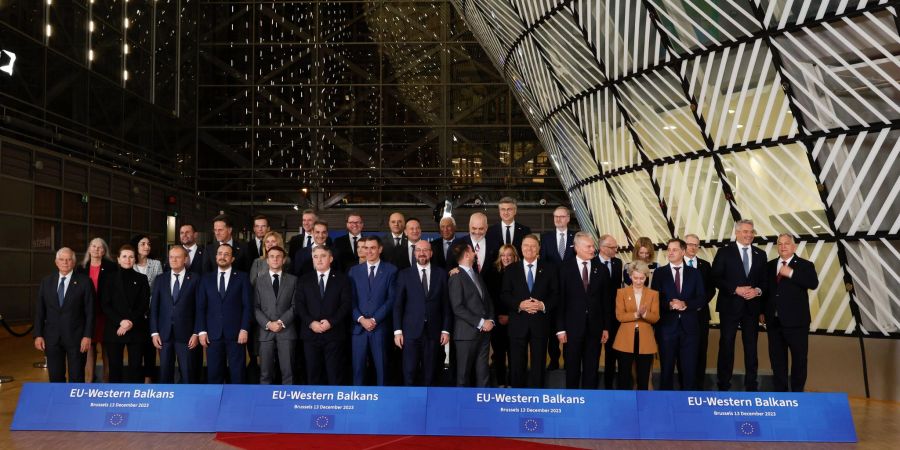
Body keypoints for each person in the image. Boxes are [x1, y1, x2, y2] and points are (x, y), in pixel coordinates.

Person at [712, 219, 767, 391]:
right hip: (730, 306)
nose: (749, 235)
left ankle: (751, 384)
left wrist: (757, 290)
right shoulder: (724, 252)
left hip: (752, 308)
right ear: (736, 233)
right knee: (727, 344)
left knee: (751, 347)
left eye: (751, 231)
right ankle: (723, 384)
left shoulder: (761, 254)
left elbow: (765, 281)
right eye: (745, 231)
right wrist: (735, 289)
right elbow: (715, 277)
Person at [761, 233, 819, 392]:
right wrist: (762, 311)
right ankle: (781, 394)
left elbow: (813, 283)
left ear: (794, 247)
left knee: (799, 360)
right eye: (780, 244)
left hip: (797, 323)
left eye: (787, 243)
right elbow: (766, 291)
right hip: (774, 322)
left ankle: (797, 394)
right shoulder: (769, 266)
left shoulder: (805, 265)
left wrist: (791, 273)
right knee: (777, 360)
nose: (783, 246)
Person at [555, 232, 610, 389]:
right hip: (572, 329)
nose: (593, 249)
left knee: (592, 368)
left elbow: (606, 302)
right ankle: (572, 402)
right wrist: (560, 329)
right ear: (577, 248)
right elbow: (560, 301)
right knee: (572, 368)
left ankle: (589, 403)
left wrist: (606, 327)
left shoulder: (602, 270)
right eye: (589, 246)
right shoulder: (564, 269)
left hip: (595, 328)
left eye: (593, 246)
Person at [393, 240, 451, 386]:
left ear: (431, 253)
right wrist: (397, 331)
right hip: (410, 332)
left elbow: (446, 305)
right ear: (414, 253)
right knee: (409, 372)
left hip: (434, 332)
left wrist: (445, 330)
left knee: (430, 373)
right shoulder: (404, 274)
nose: (422, 253)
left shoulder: (441, 274)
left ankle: (428, 405)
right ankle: (411, 405)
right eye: (418, 250)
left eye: (425, 250)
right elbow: (398, 305)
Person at [502, 234, 557, 388]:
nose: (529, 249)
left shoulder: (549, 268)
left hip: (540, 323)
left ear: (539, 248)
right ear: (521, 248)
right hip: (518, 324)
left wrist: (542, 305)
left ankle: (537, 396)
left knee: (539, 364)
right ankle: (517, 396)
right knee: (517, 364)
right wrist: (520, 305)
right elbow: (505, 294)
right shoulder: (511, 269)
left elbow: (555, 294)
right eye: (526, 245)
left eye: (533, 246)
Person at [651, 238, 705, 390]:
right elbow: (655, 299)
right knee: (666, 370)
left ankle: (688, 406)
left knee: (689, 371)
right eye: (669, 249)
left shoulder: (694, 273)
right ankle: (665, 406)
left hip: (690, 330)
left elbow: (701, 298)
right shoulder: (660, 273)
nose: (670, 253)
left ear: (683, 251)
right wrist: (669, 304)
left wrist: (685, 304)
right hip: (667, 329)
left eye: (674, 250)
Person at [33, 248, 94, 382]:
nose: (65, 262)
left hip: (77, 338)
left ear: (74, 262)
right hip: (52, 338)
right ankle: (58, 403)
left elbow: (90, 311)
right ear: (56, 262)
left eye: (69, 259)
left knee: (77, 377)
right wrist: (38, 334)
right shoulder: (46, 281)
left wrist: (87, 335)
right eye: (62, 259)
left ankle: (76, 403)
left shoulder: (85, 282)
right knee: (55, 377)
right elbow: (40, 311)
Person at [296, 246, 353, 385]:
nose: (319, 259)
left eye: (323, 256)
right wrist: (311, 323)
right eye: (315, 256)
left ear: (331, 258)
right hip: (310, 334)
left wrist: (331, 322)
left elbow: (346, 304)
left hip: (334, 334)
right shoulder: (304, 280)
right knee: (313, 373)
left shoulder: (342, 279)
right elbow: (299, 305)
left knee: (334, 373)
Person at [197, 243, 252, 384]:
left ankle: (237, 404)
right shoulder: (206, 279)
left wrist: (244, 329)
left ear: (232, 259)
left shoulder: (242, 277)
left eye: (226, 254)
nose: (222, 257)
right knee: (214, 374)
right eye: (220, 253)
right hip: (212, 334)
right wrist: (202, 331)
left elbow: (247, 306)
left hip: (236, 334)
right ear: (215, 257)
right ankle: (215, 404)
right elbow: (201, 307)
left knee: (237, 373)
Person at [348, 236, 398, 386]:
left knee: (382, 370)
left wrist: (375, 319)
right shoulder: (354, 271)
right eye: (366, 248)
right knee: (358, 370)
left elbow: (391, 299)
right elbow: (350, 300)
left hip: (380, 328)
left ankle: (382, 404)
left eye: (372, 248)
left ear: (380, 249)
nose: (369, 251)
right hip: (359, 329)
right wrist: (361, 319)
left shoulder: (391, 270)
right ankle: (357, 403)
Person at [150, 246, 200, 384]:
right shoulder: (160, 279)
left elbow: (199, 309)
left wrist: (196, 332)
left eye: (177, 257)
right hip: (164, 335)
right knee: (165, 373)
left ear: (185, 259)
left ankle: (187, 403)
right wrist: (154, 332)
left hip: (187, 335)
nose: (174, 260)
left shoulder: (195, 279)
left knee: (188, 374)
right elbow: (154, 307)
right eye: (171, 257)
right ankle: (166, 404)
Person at [448, 242, 494, 387]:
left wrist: (491, 320)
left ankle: (482, 406)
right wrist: (481, 322)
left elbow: (487, 300)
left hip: (484, 333)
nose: (475, 253)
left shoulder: (476, 275)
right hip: (466, 335)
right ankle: (461, 408)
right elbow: (458, 308)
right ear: (467, 254)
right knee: (463, 375)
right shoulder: (456, 277)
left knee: (483, 373)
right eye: (473, 251)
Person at [102, 245, 150, 383]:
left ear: (135, 259)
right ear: (118, 259)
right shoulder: (108, 278)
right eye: (124, 256)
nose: (128, 259)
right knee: (115, 367)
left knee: (136, 367)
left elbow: (144, 305)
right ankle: (116, 400)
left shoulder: (142, 278)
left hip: (136, 328)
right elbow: (105, 304)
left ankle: (135, 399)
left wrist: (129, 322)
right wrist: (121, 322)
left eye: (131, 256)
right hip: (114, 329)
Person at [254, 245, 298, 385]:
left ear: (284, 260)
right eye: (272, 256)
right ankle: (265, 403)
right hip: (265, 331)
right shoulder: (259, 281)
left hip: (286, 331)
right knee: (265, 373)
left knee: (288, 372)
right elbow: (255, 307)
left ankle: (288, 405)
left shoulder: (293, 280)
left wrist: (280, 322)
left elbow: (295, 306)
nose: (275, 259)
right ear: (267, 260)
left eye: (278, 256)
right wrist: (268, 324)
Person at [612, 262, 659, 390]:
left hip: (646, 340)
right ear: (630, 276)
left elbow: (655, 318)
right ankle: (623, 405)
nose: (639, 281)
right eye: (635, 278)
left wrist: (644, 314)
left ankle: (643, 406)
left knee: (643, 377)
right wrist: (636, 314)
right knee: (623, 376)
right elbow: (620, 316)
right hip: (625, 339)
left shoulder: (653, 294)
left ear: (646, 277)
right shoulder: (621, 292)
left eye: (642, 278)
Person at [539, 206, 575, 371]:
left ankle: (569, 360)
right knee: (553, 327)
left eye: (561, 217)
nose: (558, 220)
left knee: (570, 326)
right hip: (552, 289)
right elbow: (543, 263)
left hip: (571, 290)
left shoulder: (576, 237)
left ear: (568, 218)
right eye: (556, 217)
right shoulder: (546, 238)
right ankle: (554, 359)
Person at [76, 237, 116, 383]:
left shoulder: (112, 267)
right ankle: (89, 381)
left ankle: (106, 382)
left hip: (106, 314)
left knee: (107, 349)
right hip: (87, 315)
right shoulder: (81, 268)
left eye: (99, 247)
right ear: (89, 248)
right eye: (93, 246)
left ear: (104, 251)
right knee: (89, 348)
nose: (96, 249)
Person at [683, 233, 716, 390]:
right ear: (684, 245)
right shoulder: (676, 264)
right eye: (690, 244)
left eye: (696, 245)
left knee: (701, 350)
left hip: (701, 314)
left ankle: (699, 386)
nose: (693, 247)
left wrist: (699, 304)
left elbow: (711, 290)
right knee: (682, 351)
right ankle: (684, 386)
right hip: (681, 316)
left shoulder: (705, 265)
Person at [486, 244, 518, 387]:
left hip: (515, 321)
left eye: (509, 255)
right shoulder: (491, 273)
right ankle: (500, 384)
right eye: (503, 255)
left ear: (514, 257)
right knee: (499, 355)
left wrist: (510, 317)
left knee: (514, 355)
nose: (506, 258)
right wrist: (497, 316)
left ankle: (511, 384)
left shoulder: (521, 273)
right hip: (497, 321)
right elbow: (490, 298)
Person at [132, 234, 162, 383]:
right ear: (136, 246)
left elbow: (160, 288)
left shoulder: (156, 264)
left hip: (151, 310)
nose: (147, 247)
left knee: (150, 347)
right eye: (143, 244)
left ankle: (149, 378)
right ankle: (136, 380)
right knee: (136, 348)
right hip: (133, 312)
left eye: (149, 244)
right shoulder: (130, 263)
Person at [597, 234, 624, 389]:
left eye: (616, 247)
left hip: (613, 315)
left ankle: (609, 385)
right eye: (612, 247)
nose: (616, 250)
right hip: (595, 314)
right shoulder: (592, 263)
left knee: (612, 352)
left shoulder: (617, 263)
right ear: (602, 248)